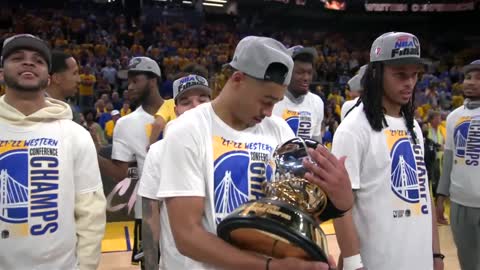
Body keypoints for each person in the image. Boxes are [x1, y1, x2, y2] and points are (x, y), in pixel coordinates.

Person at [155, 36, 350, 270]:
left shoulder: (279, 130)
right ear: (238, 79)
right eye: (266, 100)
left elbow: (296, 214)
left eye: (276, 102)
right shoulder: (187, 129)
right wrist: (270, 266)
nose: (269, 112)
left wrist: (339, 202)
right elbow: (187, 237)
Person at [331, 32, 443, 270]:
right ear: (376, 73)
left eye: (414, 75)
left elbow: (424, 192)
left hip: (420, 260)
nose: (410, 83)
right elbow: (341, 207)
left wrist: (436, 255)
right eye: (400, 75)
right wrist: (352, 264)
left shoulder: (412, 125)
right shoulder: (352, 130)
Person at [0, 34, 106, 269]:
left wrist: (86, 266)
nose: (28, 63)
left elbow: (91, 211)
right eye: (18, 58)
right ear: (1, 73)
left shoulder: (75, 134)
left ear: (48, 79)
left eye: (38, 60)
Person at [138, 74, 212, 270]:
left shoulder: (230, 147)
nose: (195, 106)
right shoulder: (159, 151)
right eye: (186, 102)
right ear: (176, 109)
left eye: (202, 99)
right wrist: (151, 266)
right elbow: (150, 216)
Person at [96, 56, 164, 267]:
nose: (129, 87)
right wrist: (92, 151)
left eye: (136, 80)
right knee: (149, 266)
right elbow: (120, 173)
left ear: (153, 80)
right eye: (129, 81)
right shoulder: (125, 124)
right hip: (147, 211)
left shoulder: (182, 113)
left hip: (185, 207)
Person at [436, 59, 480, 270]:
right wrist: (440, 197)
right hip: (459, 203)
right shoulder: (454, 117)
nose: (471, 82)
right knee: (468, 262)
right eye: (468, 77)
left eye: (478, 78)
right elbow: (449, 158)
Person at [273, 45, 324, 142]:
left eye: (309, 73)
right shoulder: (272, 102)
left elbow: (316, 142)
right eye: (300, 72)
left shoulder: (317, 102)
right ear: (287, 74)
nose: (306, 78)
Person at [46, 50, 81, 122]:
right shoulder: (33, 109)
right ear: (57, 78)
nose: (79, 80)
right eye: (74, 73)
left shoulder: (71, 111)